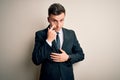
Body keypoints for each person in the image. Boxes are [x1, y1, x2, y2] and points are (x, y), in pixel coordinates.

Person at [32, 3, 84, 80]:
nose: (59, 25)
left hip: (67, 77)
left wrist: (68, 57)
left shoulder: (71, 34)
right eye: (54, 21)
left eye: (61, 20)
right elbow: (36, 60)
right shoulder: (40, 34)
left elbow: (81, 55)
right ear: (48, 19)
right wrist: (48, 41)